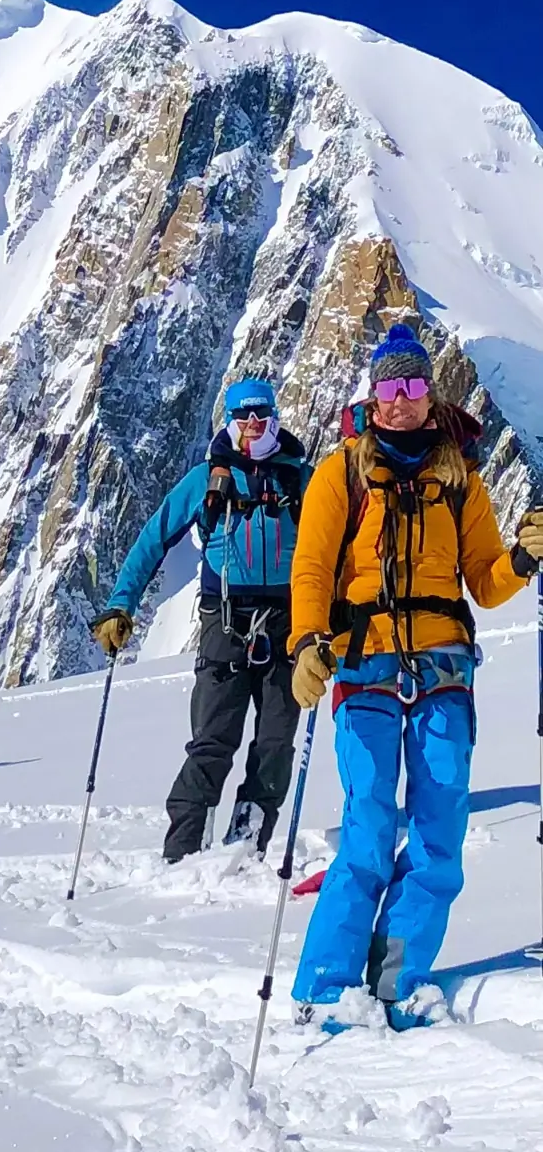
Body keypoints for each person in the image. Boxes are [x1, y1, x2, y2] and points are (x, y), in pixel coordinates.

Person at [286, 325, 543, 1026]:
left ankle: (397, 979)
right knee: (367, 824)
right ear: (373, 396)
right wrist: (308, 640)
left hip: (444, 673)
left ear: (432, 393)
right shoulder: (340, 473)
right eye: (389, 387)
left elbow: (485, 582)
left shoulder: (460, 478)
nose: (401, 401)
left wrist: (521, 560)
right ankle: (325, 989)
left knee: (437, 831)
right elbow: (310, 567)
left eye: (413, 386)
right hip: (364, 665)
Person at [90, 377, 310, 860]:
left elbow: (340, 539)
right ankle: (183, 851)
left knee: (275, 744)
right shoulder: (206, 480)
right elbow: (154, 539)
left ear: (275, 416)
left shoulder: (299, 477)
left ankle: (245, 847)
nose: (253, 426)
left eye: (261, 415)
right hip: (226, 623)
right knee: (213, 741)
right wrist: (121, 605)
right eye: (243, 417)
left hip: (289, 624)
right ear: (229, 421)